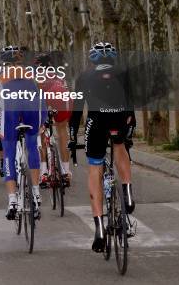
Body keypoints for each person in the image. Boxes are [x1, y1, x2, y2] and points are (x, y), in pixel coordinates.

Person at [69, 42, 136, 253]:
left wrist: (72, 136)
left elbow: (77, 110)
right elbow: (130, 103)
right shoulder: (123, 72)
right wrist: (130, 123)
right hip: (119, 119)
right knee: (120, 147)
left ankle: (99, 228)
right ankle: (127, 191)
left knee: (95, 168)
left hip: (96, 122)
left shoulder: (84, 77)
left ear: (92, 59)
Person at [0, 48, 46, 220]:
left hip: (10, 114)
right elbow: (42, 100)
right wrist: (43, 121)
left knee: (9, 152)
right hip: (33, 113)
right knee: (32, 146)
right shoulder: (32, 73)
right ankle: (36, 193)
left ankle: (12, 200)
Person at [34, 52, 73, 188]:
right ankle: (66, 172)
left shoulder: (37, 76)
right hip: (64, 99)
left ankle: (44, 172)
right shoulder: (60, 74)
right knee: (62, 132)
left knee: (42, 131)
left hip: (46, 99)